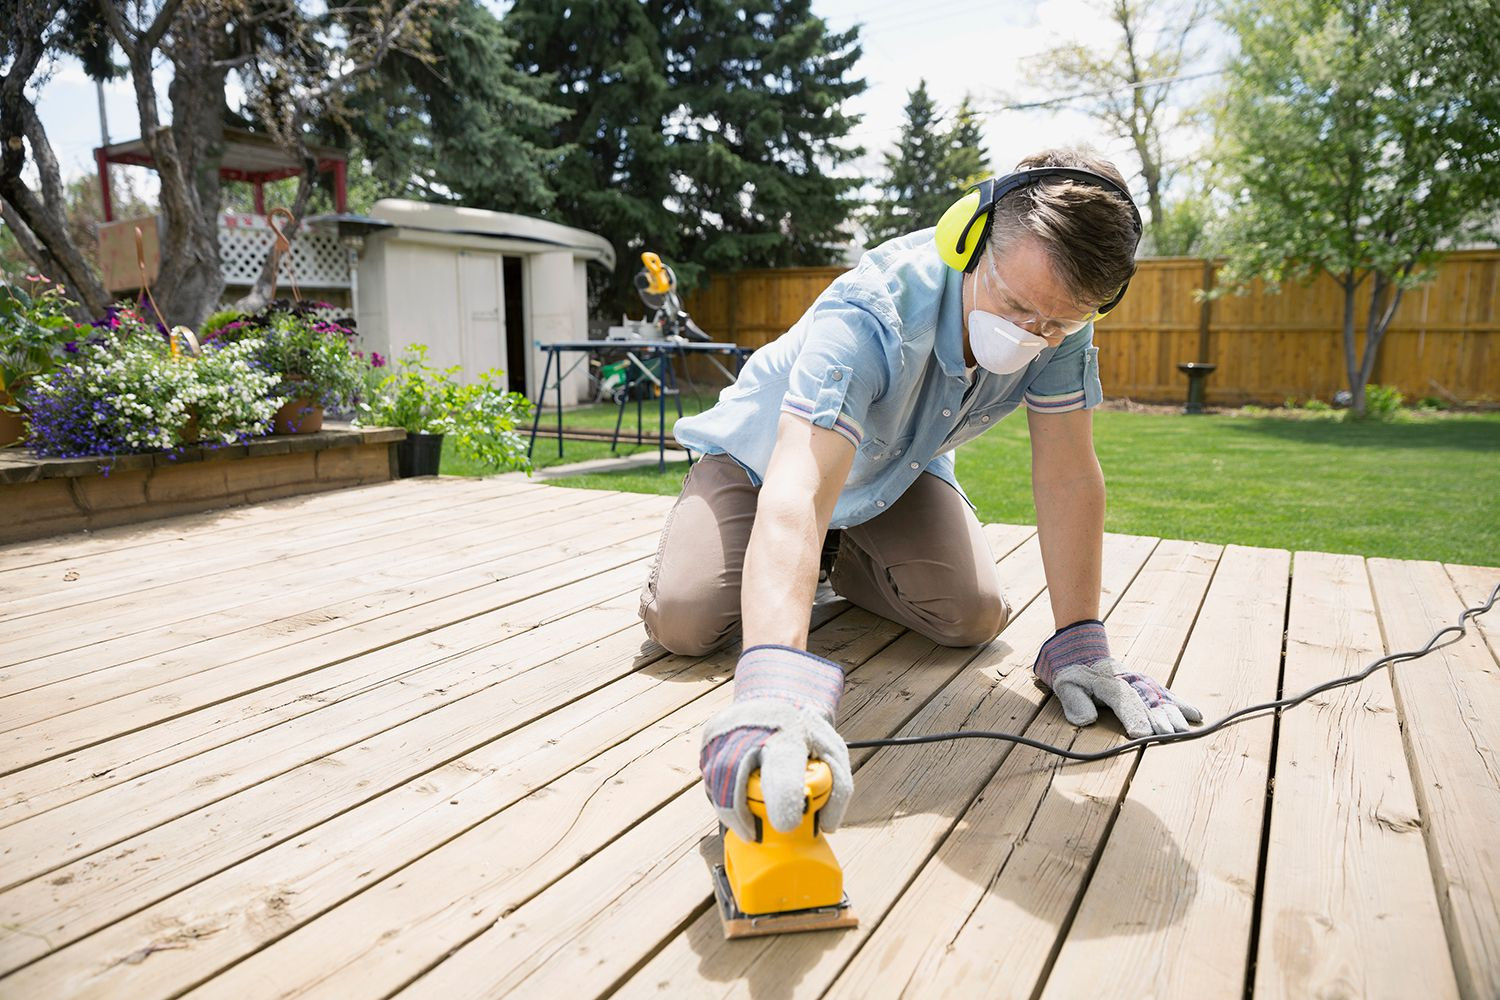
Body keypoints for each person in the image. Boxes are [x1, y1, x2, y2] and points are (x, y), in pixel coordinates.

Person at [638, 148, 1202, 845]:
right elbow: (799, 487)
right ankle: (760, 553)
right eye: (1018, 305)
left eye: (1059, 322)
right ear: (966, 239)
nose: (1035, 334)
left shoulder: (1062, 327)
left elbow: (1067, 473)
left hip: (892, 477)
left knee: (972, 614)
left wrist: (1080, 641)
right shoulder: (869, 312)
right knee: (686, 622)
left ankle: (828, 560)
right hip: (761, 470)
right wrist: (773, 692)